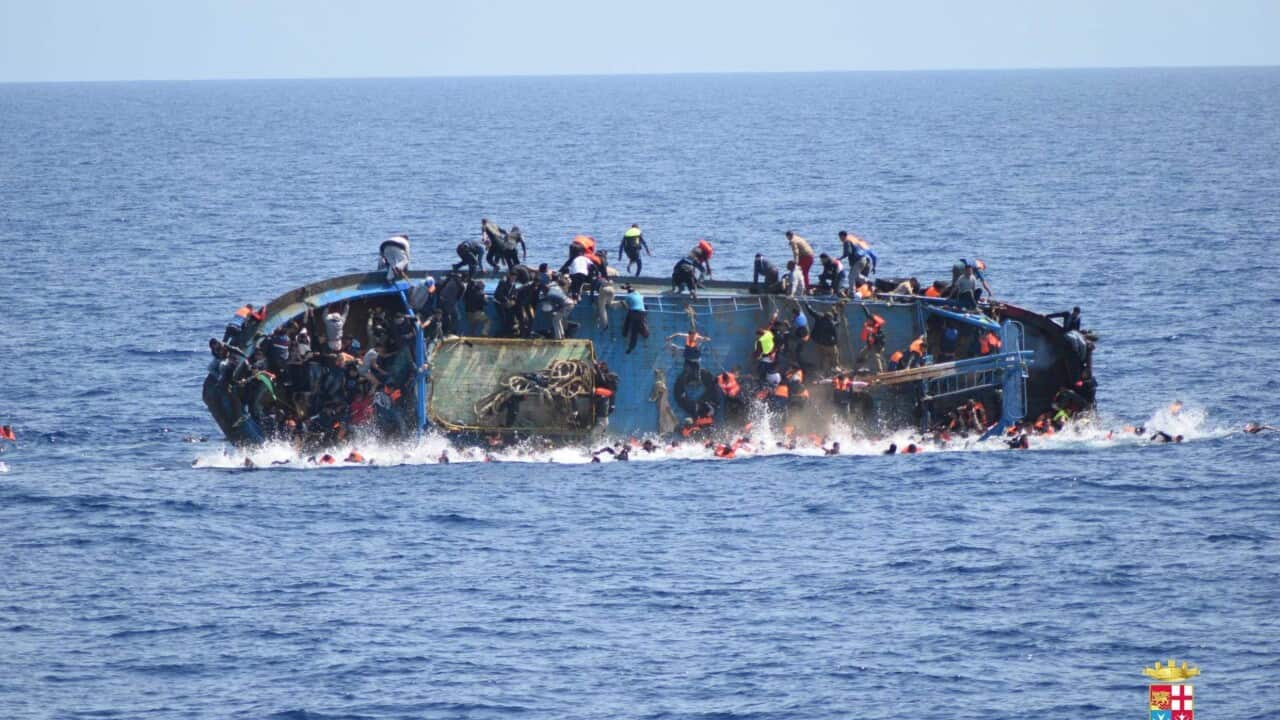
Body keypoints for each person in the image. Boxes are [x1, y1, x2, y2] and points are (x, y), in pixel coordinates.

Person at [620, 284, 649, 353]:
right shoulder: (640, 295)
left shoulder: (628, 296)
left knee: (634, 331)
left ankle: (631, 347)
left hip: (635, 314)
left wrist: (623, 304)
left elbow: (626, 307)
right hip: (641, 313)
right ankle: (625, 332)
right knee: (631, 317)